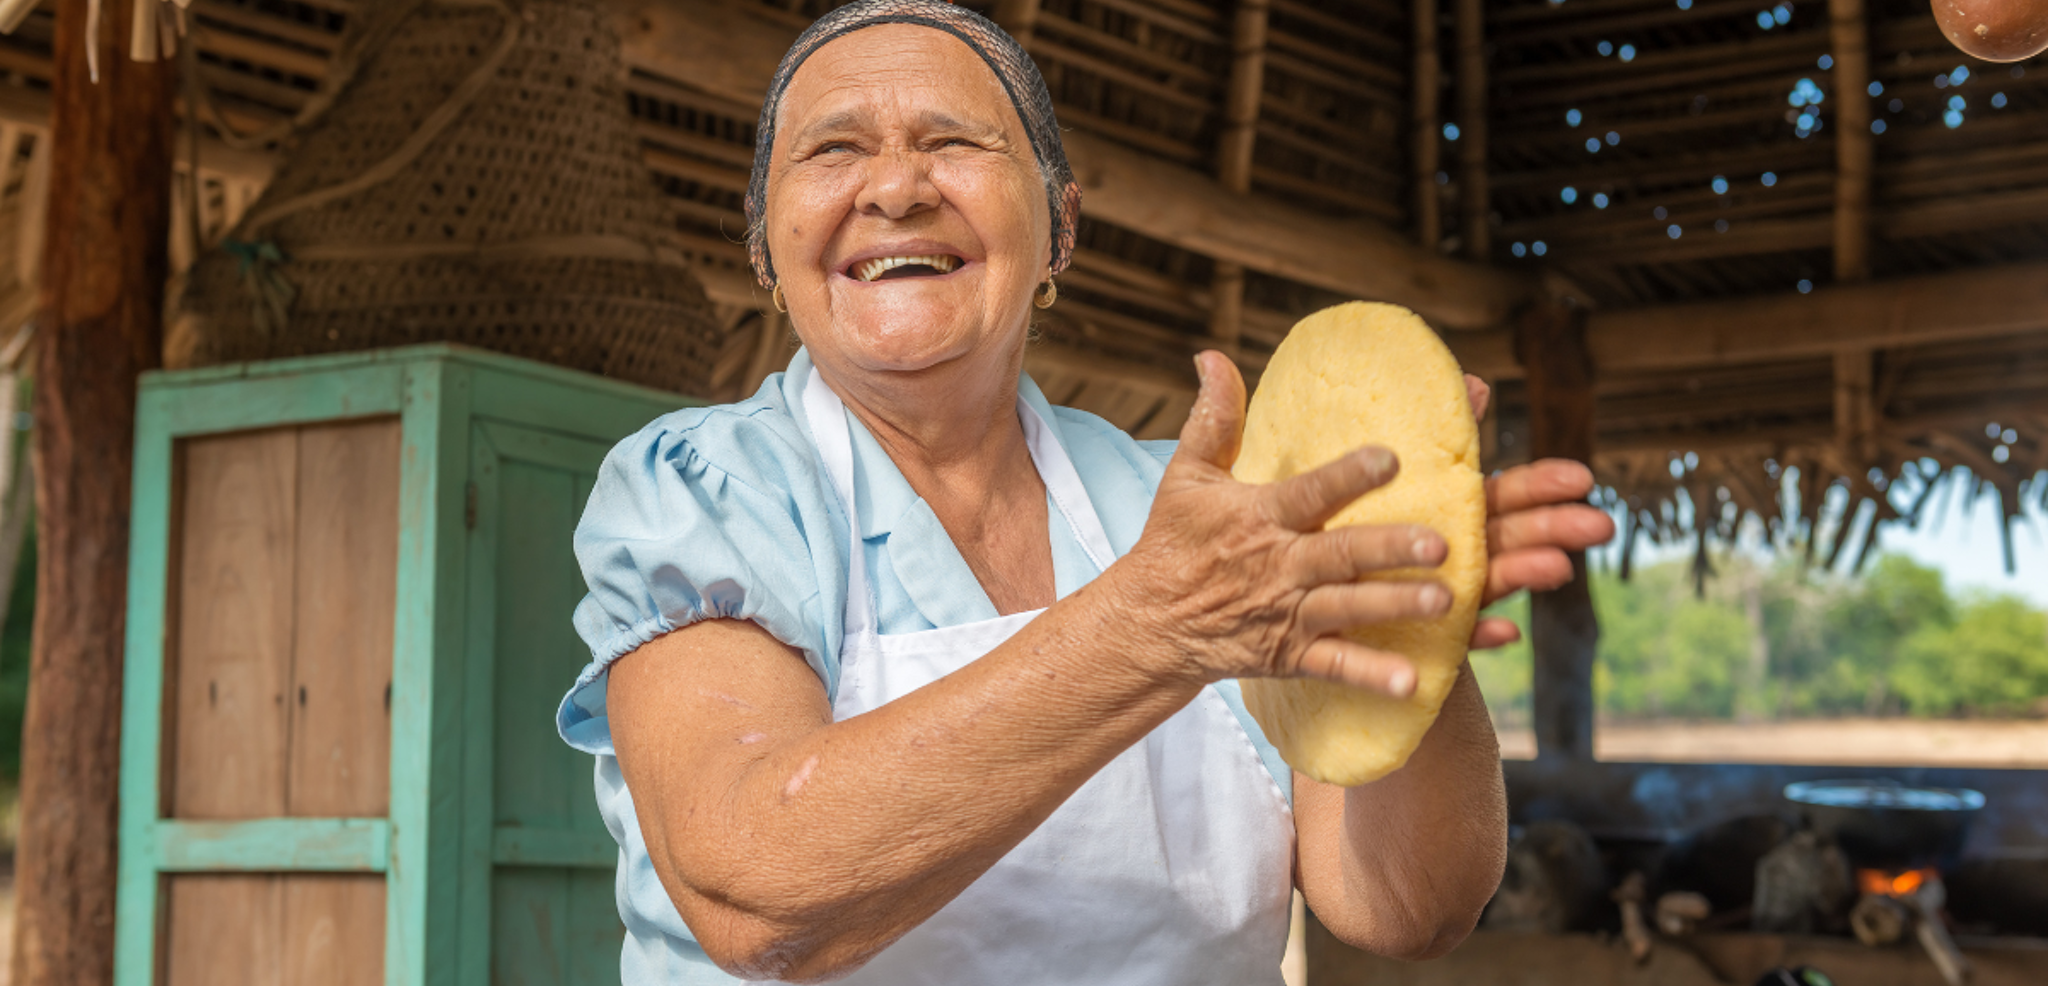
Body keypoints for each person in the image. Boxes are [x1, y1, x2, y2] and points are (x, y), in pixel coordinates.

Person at [557, 2, 1614, 982]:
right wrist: (1159, 627)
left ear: (1058, 228)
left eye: (953, 143)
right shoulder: (704, 493)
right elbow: (756, 890)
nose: (892, 189)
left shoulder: (1201, 504)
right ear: (762, 245)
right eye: (832, 149)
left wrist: (1410, 624)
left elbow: (1402, 908)